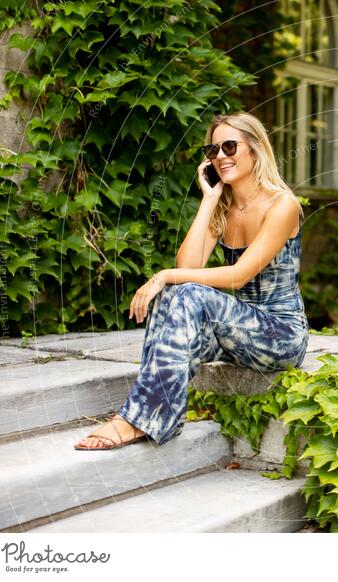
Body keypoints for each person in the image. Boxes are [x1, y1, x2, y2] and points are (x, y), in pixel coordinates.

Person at [74, 111, 309, 450]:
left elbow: (238, 276)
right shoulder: (223, 206)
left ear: (256, 148)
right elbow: (190, 263)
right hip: (237, 331)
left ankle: (136, 420)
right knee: (174, 295)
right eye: (213, 151)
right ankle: (150, 416)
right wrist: (209, 199)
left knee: (185, 291)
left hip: (279, 335)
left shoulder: (282, 204)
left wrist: (163, 275)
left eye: (230, 147)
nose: (221, 157)